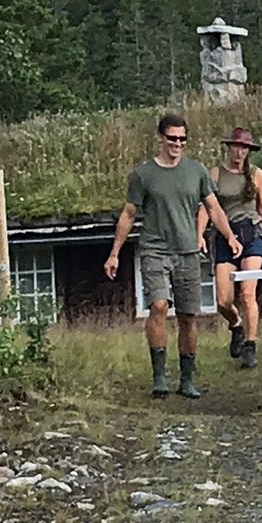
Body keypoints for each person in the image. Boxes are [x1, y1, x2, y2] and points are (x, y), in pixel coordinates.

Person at [104, 114, 241, 398]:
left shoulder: (197, 171)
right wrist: (114, 253)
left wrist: (229, 236)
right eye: (172, 138)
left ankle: (187, 379)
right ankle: (158, 376)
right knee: (158, 305)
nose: (177, 143)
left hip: (188, 250)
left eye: (182, 139)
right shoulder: (143, 174)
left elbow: (213, 207)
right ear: (161, 138)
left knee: (188, 316)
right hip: (155, 248)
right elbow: (129, 213)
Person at [204, 127, 262, 370]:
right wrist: (199, 235)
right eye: (236, 146)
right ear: (229, 148)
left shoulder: (256, 174)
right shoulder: (215, 173)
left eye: (244, 148)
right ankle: (235, 325)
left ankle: (250, 344)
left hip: (251, 232)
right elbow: (207, 206)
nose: (240, 152)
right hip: (226, 234)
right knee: (223, 300)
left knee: (247, 293)